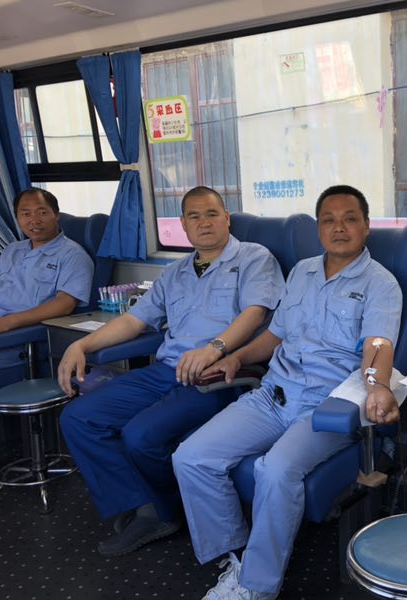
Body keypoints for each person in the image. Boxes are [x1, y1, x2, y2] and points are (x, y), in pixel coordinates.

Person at [172, 184, 402, 600]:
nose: (339, 228)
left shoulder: (380, 283)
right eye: (329, 220)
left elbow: (378, 346)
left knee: (275, 470)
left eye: (350, 219)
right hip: (273, 394)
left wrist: (377, 387)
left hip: (325, 405)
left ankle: (256, 587)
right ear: (319, 228)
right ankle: (235, 558)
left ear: (367, 226)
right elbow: (275, 335)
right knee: (191, 456)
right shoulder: (301, 273)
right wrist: (236, 358)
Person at [58, 186, 285, 557]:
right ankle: (147, 506)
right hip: (167, 369)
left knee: (140, 435)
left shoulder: (253, 258)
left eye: (212, 214)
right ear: (183, 224)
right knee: (79, 417)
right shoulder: (175, 272)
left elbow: (255, 313)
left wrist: (214, 349)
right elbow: (134, 320)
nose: (204, 222)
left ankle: (162, 510)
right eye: (194, 216)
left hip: (221, 374)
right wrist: (81, 345)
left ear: (227, 218)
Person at [0, 187, 93, 377]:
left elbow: (64, 305)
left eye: (42, 212)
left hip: (17, 338)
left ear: (56, 215)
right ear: (17, 218)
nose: (34, 220)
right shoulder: (12, 250)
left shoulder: (72, 255)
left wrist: (7, 323)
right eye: (26, 214)